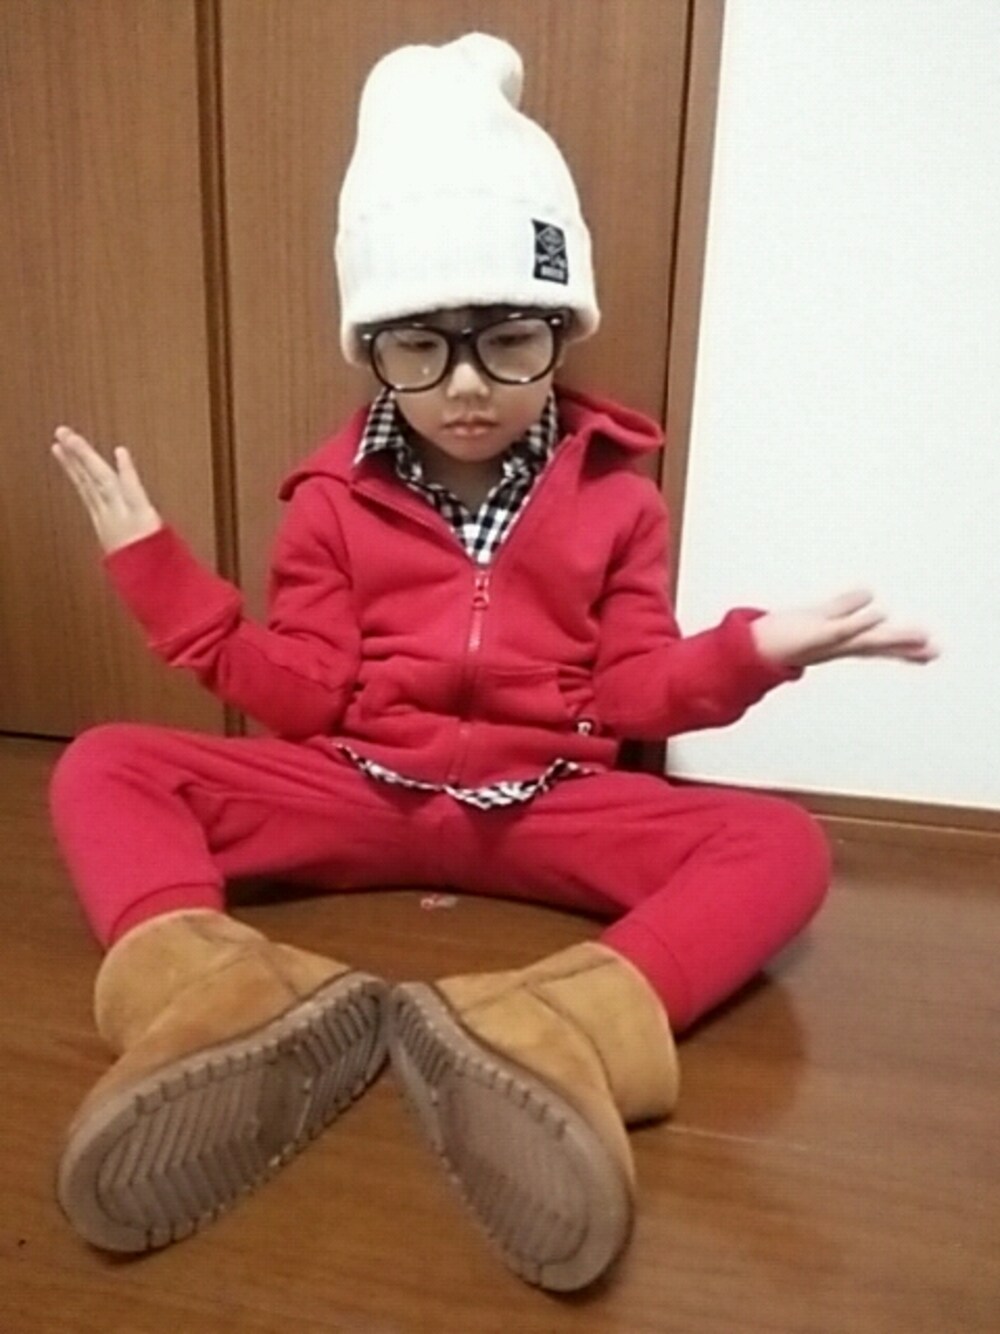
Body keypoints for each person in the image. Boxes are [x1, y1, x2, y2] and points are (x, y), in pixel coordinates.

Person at [46, 33, 937, 1293]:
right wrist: (163, 580)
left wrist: (751, 652)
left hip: (547, 809)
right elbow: (303, 695)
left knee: (781, 843)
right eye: (420, 347)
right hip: (362, 791)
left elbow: (629, 690)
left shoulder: (620, 502)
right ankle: (212, 995)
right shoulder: (328, 502)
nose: (466, 386)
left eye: (508, 341)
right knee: (106, 763)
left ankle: (557, 1023)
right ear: (374, 346)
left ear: (559, 331)